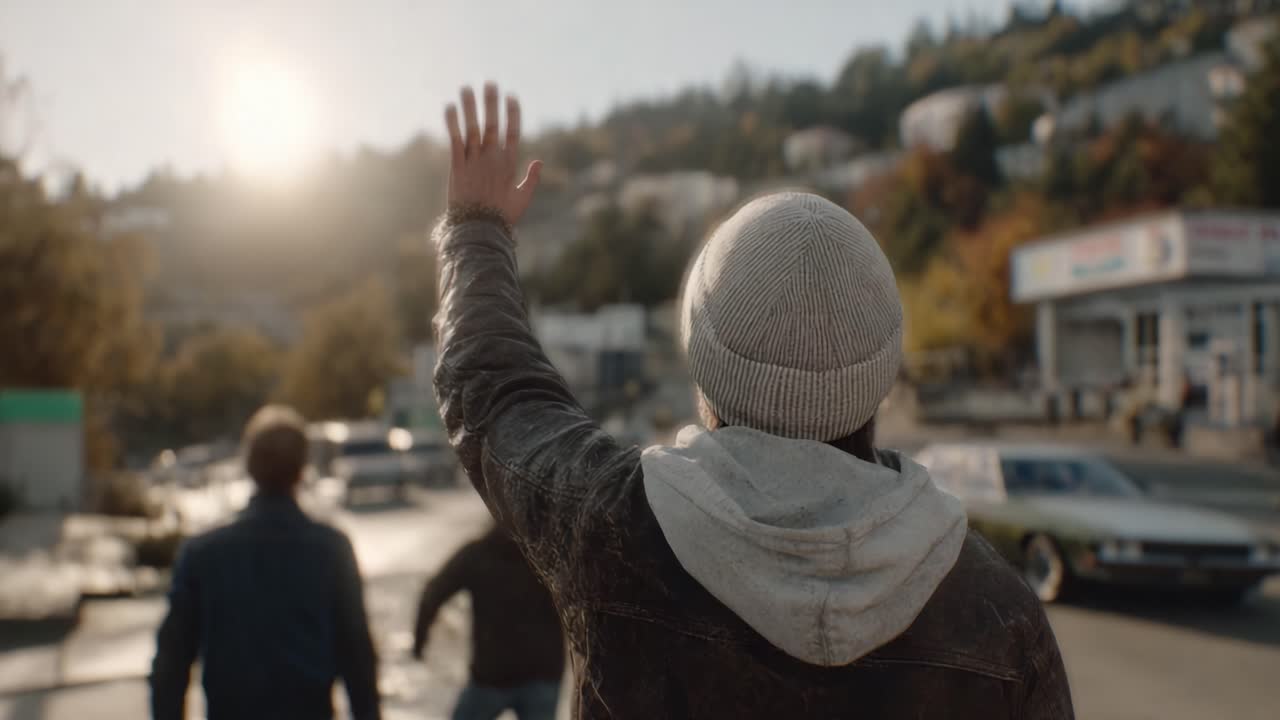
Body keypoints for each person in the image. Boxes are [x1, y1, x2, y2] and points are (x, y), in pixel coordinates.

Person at [431, 83, 1073, 719]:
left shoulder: (612, 528)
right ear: (880, 374)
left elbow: (494, 390)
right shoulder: (999, 615)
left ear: (704, 364)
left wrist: (475, 229)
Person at [149, 405, 380, 720]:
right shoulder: (331, 550)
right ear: (302, 468)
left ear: (248, 466)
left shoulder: (202, 553)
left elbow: (171, 664)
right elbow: (358, 660)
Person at [413, 524, 565, 720]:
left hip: (492, 674)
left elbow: (432, 594)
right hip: (543, 672)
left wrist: (419, 641)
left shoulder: (478, 554)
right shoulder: (549, 555)